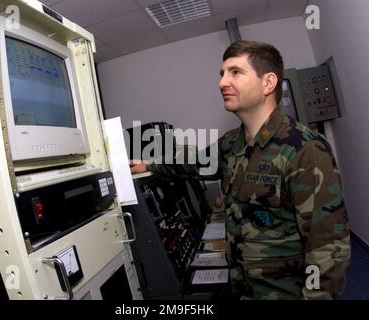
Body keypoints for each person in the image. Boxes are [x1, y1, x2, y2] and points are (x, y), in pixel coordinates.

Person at [130, 40, 350, 299]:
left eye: (235, 72)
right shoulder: (231, 143)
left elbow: (327, 248)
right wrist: (148, 165)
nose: (222, 82)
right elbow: (192, 163)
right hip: (242, 288)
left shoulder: (305, 149)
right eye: (222, 74)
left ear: (268, 83)